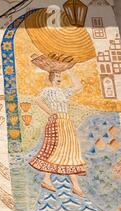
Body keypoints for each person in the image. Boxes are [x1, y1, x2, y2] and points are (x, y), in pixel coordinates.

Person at [29, 55, 86, 197]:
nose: (59, 77)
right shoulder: (48, 91)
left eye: (60, 75)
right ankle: (50, 180)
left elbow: (78, 87)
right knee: (58, 150)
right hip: (57, 121)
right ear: (52, 78)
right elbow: (37, 100)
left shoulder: (63, 91)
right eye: (57, 75)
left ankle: (72, 185)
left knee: (71, 151)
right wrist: (50, 112)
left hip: (66, 121)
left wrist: (70, 71)